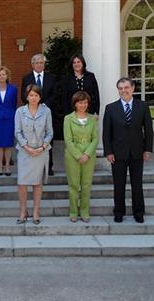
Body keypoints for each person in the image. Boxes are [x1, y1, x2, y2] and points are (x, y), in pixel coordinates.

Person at [103, 77, 153, 223]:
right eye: (120, 88)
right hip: (117, 153)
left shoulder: (142, 106)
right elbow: (106, 133)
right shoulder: (110, 108)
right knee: (119, 184)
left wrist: (147, 149)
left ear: (133, 88)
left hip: (137, 152)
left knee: (137, 184)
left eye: (126, 87)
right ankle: (119, 212)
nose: (123, 90)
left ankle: (139, 212)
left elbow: (148, 130)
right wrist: (108, 152)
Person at [15, 85, 53, 225]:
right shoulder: (20, 111)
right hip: (25, 152)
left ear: (40, 97)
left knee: (37, 183)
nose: (33, 98)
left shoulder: (46, 111)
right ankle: (23, 212)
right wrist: (26, 146)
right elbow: (17, 132)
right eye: (31, 95)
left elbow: (50, 132)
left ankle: (36, 212)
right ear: (27, 97)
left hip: (41, 152)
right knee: (22, 183)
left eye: (36, 95)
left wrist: (43, 147)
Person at [63, 91, 98, 223]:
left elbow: (95, 138)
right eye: (80, 102)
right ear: (75, 104)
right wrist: (78, 155)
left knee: (86, 184)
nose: (82, 105)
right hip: (73, 155)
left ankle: (84, 211)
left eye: (85, 102)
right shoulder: (68, 119)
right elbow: (68, 139)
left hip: (89, 155)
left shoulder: (92, 119)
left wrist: (87, 154)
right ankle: (73, 211)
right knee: (73, 185)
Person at [21, 54, 56, 175]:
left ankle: (48, 167)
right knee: (32, 138)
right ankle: (33, 165)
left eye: (42, 62)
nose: (39, 65)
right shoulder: (26, 78)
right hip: (31, 114)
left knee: (47, 138)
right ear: (32, 64)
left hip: (46, 113)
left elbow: (54, 94)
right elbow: (23, 96)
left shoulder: (51, 77)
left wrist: (44, 105)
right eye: (37, 63)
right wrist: (33, 106)